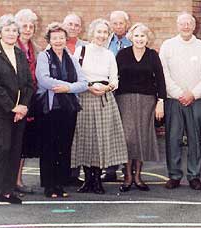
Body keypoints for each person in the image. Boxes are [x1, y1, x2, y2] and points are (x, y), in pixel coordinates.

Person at [0, 14, 34, 207]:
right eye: (7, 30)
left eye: (14, 30)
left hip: (19, 112)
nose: (11, 33)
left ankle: (6, 191)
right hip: (0, 111)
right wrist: (12, 107)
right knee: (1, 148)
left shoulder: (20, 54)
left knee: (14, 150)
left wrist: (24, 106)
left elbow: (28, 83)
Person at [71, 18, 128, 195]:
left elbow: (115, 79)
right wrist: (88, 87)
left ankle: (97, 181)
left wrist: (107, 87)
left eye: (105, 32)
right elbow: (74, 75)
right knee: (85, 138)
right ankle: (87, 180)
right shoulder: (81, 51)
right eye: (99, 32)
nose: (102, 35)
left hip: (104, 100)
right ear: (92, 33)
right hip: (84, 99)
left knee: (100, 140)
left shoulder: (110, 54)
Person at [160, 12, 201, 191]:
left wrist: (193, 94)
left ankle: (194, 175)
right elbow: (164, 74)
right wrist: (178, 93)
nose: (185, 26)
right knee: (173, 138)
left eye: (189, 23)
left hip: (195, 100)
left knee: (194, 138)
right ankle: (174, 175)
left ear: (194, 25)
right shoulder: (167, 46)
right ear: (177, 25)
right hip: (173, 99)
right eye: (182, 23)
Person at [36, 22, 88, 198]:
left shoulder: (72, 59)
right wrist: (70, 86)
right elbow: (43, 80)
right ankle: (49, 186)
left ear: (66, 39)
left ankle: (60, 184)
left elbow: (83, 83)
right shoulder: (44, 57)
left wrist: (67, 89)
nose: (58, 41)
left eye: (61, 38)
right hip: (50, 109)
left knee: (64, 147)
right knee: (49, 147)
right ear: (49, 40)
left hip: (69, 108)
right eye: (54, 38)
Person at [115, 23, 166, 192]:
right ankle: (128, 175)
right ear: (131, 37)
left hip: (147, 101)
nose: (139, 39)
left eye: (142, 36)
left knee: (142, 138)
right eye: (136, 36)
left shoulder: (152, 55)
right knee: (128, 138)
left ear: (147, 38)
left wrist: (160, 101)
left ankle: (138, 176)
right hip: (125, 100)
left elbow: (160, 79)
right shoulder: (122, 55)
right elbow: (114, 77)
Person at [102, 10, 133, 182]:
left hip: (127, 92)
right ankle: (110, 169)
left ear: (126, 24)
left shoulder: (133, 41)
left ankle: (128, 168)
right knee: (110, 130)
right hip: (109, 92)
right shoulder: (105, 42)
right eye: (115, 23)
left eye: (121, 23)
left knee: (127, 131)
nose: (118, 26)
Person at [14, 8, 42, 195]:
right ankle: (6, 181)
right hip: (13, 101)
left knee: (22, 143)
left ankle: (17, 180)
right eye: (24, 25)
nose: (27, 29)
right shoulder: (10, 47)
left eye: (31, 26)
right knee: (9, 142)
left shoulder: (36, 49)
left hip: (30, 100)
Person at [62, 13, 88, 186]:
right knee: (62, 136)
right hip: (60, 97)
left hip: (80, 96)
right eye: (69, 24)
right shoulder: (56, 44)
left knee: (78, 136)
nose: (73, 27)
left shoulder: (86, 47)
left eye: (76, 25)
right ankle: (60, 174)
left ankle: (74, 173)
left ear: (80, 28)